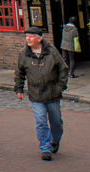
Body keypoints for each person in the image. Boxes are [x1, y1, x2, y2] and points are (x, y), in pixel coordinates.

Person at [15, 26, 69, 161]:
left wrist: (60, 87)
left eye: (31, 37)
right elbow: (19, 73)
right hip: (36, 94)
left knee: (56, 122)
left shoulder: (52, 52)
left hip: (52, 93)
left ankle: (55, 140)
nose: (28, 39)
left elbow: (63, 69)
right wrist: (19, 89)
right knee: (41, 121)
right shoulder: (24, 54)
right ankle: (45, 147)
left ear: (39, 38)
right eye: (27, 37)